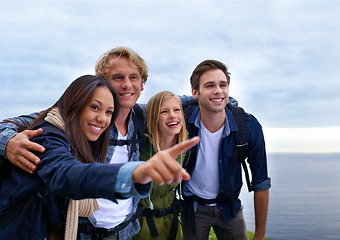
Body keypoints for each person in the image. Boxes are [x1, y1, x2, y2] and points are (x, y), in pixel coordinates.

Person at [0, 47, 195, 239]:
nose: (127, 85)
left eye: (133, 77)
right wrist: (7, 142)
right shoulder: (68, 120)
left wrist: (213, 97)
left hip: (125, 230)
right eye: (118, 77)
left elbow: (180, 101)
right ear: (103, 84)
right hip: (80, 230)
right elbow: (29, 126)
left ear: (142, 84)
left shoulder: (142, 115)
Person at [180, 60, 271, 240]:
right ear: (195, 93)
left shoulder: (248, 126)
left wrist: (259, 235)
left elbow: (260, 183)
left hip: (230, 208)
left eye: (223, 85)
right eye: (209, 85)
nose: (218, 91)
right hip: (193, 208)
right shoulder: (182, 121)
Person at [133, 91, 187, 240]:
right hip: (141, 226)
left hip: (171, 223)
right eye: (164, 111)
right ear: (153, 118)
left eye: (177, 110)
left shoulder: (184, 145)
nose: (172, 115)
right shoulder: (141, 147)